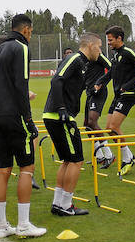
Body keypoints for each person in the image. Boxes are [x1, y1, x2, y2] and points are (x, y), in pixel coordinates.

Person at [0, 14, 46, 237]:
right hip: (14, 115)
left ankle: (1, 227)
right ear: (27, 30)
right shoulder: (21, 48)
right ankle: (23, 225)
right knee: (27, 169)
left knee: (3, 169)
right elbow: (22, 85)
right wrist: (28, 119)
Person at [43, 33, 103, 216]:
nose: (100, 51)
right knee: (77, 161)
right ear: (91, 45)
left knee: (68, 160)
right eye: (99, 47)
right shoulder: (75, 58)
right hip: (60, 117)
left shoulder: (82, 64)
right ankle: (66, 205)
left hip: (57, 116)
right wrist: (62, 108)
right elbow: (56, 79)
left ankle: (58, 203)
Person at [104, 26, 135, 175]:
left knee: (115, 127)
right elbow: (111, 73)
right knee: (109, 130)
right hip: (117, 96)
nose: (109, 43)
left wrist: (127, 85)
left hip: (128, 95)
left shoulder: (128, 52)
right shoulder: (115, 55)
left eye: (111, 40)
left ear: (119, 38)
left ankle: (128, 159)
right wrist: (99, 82)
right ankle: (129, 157)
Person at [83, 46, 115, 167]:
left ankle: (109, 155)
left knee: (92, 122)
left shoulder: (98, 56)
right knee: (87, 126)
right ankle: (100, 156)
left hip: (98, 93)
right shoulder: (85, 59)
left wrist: (101, 83)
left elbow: (112, 68)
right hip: (90, 94)